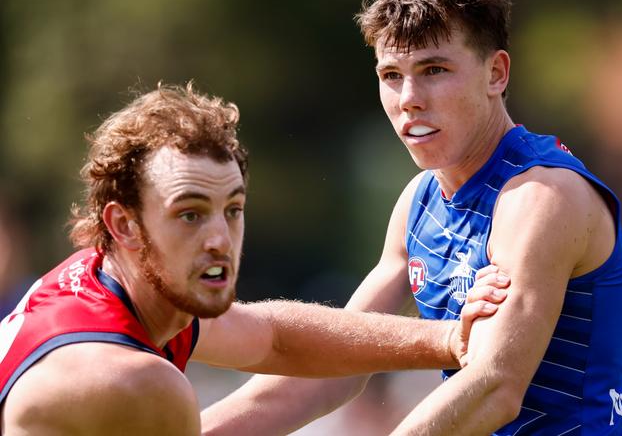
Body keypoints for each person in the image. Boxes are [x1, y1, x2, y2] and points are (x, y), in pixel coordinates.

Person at [203, 0, 622, 435]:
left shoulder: (541, 197)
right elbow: (330, 371)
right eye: (391, 76)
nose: (409, 99)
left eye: (434, 70)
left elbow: (494, 387)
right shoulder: (420, 200)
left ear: (497, 74)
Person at [0, 83, 508, 435]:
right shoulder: (135, 381)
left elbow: (277, 339)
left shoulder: (99, 285)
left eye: (233, 209)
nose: (220, 238)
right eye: (190, 215)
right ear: (124, 225)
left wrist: (446, 338)